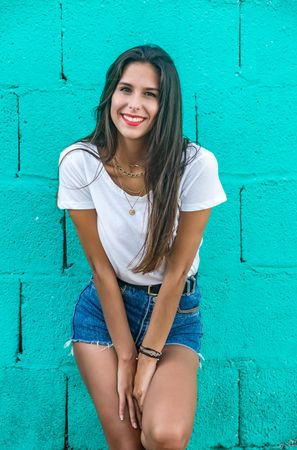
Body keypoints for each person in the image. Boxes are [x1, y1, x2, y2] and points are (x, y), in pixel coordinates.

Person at [57, 44, 227, 450]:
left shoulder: (195, 166)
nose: (134, 104)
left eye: (150, 94)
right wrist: (125, 355)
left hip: (173, 314)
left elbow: (176, 273)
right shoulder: (79, 162)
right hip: (105, 310)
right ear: (110, 96)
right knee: (128, 445)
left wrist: (147, 357)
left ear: (166, 105)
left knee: (164, 436)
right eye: (125, 89)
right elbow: (100, 269)